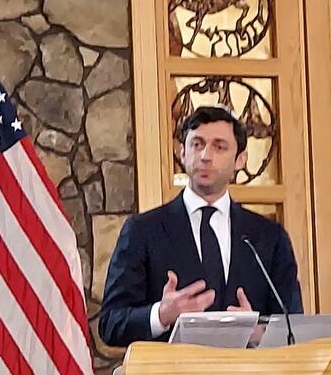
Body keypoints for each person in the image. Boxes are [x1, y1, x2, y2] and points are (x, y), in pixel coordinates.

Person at [99, 105, 303, 347]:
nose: (206, 155)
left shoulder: (268, 237)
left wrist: (258, 333)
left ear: (240, 160)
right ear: (182, 153)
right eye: (197, 144)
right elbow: (111, 323)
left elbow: (294, 327)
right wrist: (161, 315)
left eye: (219, 146)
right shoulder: (143, 230)